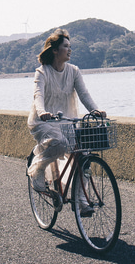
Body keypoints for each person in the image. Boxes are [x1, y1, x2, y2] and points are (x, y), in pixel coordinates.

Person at [27, 28, 106, 194]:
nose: (69, 50)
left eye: (70, 47)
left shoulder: (74, 71)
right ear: (55, 50)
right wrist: (41, 112)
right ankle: (38, 169)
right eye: (65, 46)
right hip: (44, 122)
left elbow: (84, 94)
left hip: (67, 122)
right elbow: (38, 95)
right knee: (60, 143)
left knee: (84, 155)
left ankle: (81, 200)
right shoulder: (42, 72)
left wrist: (95, 110)